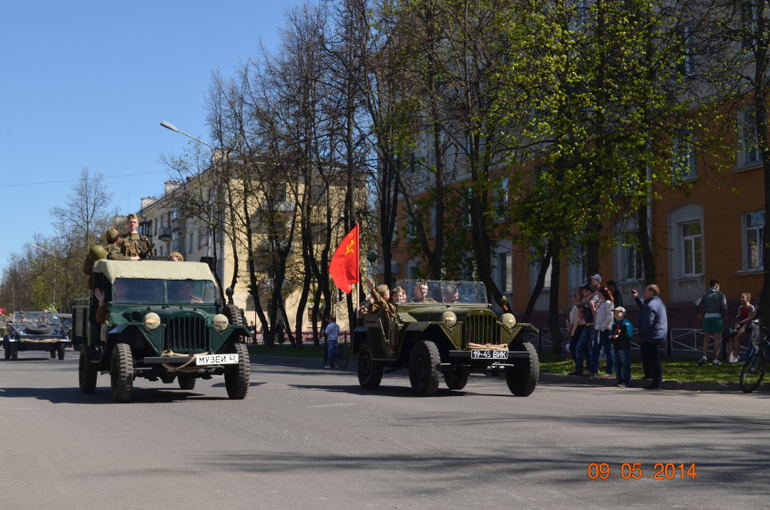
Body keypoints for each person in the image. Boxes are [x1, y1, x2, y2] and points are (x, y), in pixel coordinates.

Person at [632, 285, 668, 390]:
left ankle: (657, 383)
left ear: (651, 293)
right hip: (657, 334)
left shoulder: (651, 305)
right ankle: (649, 374)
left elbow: (648, 321)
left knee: (655, 359)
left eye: (646, 292)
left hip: (653, 335)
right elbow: (645, 307)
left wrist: (642, 333)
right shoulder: (658, 302)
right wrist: (637, 298)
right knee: (644, 350)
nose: (645, 293)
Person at [694, 279, 727, 366]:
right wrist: (721, 315)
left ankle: (704, 357)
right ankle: (715, 360)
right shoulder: (721, 295)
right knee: (717, 340)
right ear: (717, 286)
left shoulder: (705, 294)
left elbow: (696, 304)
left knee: (706, 338)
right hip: (717, 317)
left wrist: (698, 314)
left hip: (707, 317)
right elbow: (724, 307)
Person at [570, 284, 596, 376]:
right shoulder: (585, 300)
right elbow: (581, 316)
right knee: (579, 347)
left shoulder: (595, 299)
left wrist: (590, 305)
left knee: (595, 348)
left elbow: (595, 313)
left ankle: (594, 369)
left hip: (593, 326)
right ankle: (579, 369)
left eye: (584, 291)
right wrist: (580, 307)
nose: (583, 293)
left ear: (589, 291)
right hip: (586, 326)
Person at [590, 286, 615, 378]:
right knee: (595, 350)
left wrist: (603, 327)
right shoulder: (601, 303)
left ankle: (609, 371)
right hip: (598, 330)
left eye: (598, 292)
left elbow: (610, 316)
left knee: (608, 351)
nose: (597, 294)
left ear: (602, 293)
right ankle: (592, 370)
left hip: (605, 330)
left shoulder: (608, 303)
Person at [610, 306, 633, 387]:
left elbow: (628, 335)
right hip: (616, 347)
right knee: (617, 365)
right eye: (615, 313)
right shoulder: (614, 324)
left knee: (625, 365)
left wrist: (618, 337)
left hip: (624, 347)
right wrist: (611, 336)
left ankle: (626, 381)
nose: (616, 315)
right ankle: (619, 380)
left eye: (618, 313)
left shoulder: (626, 324)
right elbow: (612, 332)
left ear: (623, 314)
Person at [729, 293, 755, 363]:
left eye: (743, 298)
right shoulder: (740, 307)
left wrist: (739, 323)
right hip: (740, 324)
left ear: (748, 299)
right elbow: (738, 316)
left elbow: (749, 318)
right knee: (730, 336)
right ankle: (730, 356)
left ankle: (736, 356)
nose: (741, 299)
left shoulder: (751, 307)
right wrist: (736, 324)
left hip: (748, 325)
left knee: (736, 337)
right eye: (741, 298)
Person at [567, 290, 586, 367]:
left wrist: (571, 331)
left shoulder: (576, 307)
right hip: (579, 328)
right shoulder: (576, 307)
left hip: (579, 328)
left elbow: (575, 321)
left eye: (574, 295)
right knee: (581, 347)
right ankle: (580, 364)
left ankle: (579, 364)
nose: (572, 297)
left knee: (573, 347)